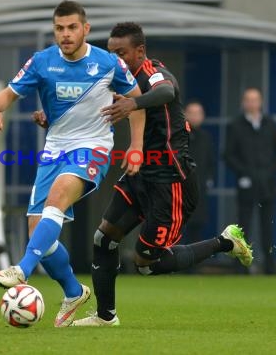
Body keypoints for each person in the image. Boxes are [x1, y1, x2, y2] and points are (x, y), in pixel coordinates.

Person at [66, 22, 253, 326]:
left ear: (140, 51)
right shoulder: (116, 76)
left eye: (122, 53)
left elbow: (167, 90)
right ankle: (105, 316)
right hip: (140, 173)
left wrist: (134, 103)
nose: (116, 60)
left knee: (145, 264)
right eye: (111, 53)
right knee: (104, 238)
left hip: (171, 181)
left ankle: (225, 242)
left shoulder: (154, 72)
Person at [0, 0, 144, 328]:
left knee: (57, 199)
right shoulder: (42, 62)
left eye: (72, 27)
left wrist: (136, 146)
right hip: (54, 151)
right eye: (60, 28)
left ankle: (21, 270)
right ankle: (73, 291)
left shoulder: (107, 63)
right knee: (38, 231)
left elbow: (137, 101)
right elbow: (7, 95)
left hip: (92, 149)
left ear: (85, 29)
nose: (66, 34)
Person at [224, 88, 276, 274]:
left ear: (261, 102)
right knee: (242, 228)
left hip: (267, 185)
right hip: (246, 185)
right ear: (243, 103)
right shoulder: (235, 125)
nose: (252, 103)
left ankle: (270, 267)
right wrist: (244, 172)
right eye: (248, 100)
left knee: (268, 227)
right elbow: (228, 155)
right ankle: (240, 267)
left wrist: (270, 172)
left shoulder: (270, 124)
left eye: (255, 100)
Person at [184, 101, 215, 245]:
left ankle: (192, 263)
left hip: (199, 188)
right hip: (181, 187)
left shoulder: (206, 137)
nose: (195, 117)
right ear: (185, 114)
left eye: (198, 113)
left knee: (197, 224)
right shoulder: (179, 136)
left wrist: (209, 180)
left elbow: (211, 162)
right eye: (192, 113)